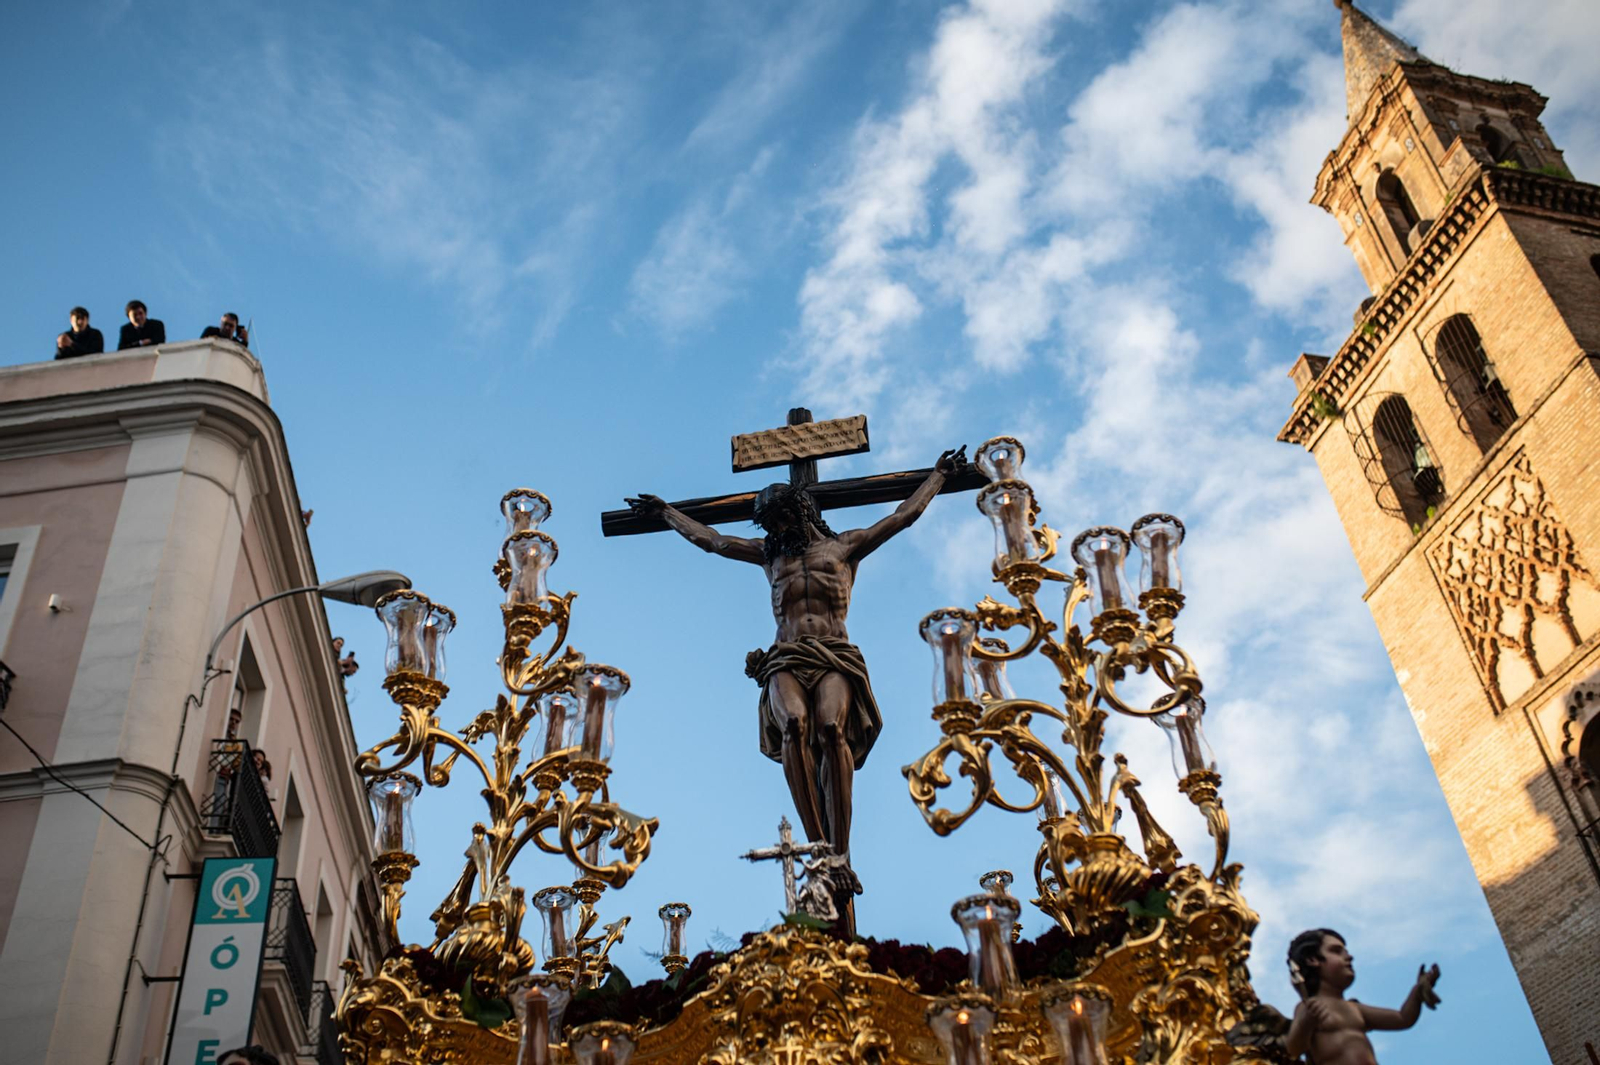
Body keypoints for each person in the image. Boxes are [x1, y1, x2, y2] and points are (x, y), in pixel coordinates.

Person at [624, 446, 962, 931]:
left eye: (779, 519)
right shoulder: (769, 559)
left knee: (830, 729)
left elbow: (902, 517)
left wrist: (938, 476)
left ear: (799, 511)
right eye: (766, 525)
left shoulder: (844, 547)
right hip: (784, 656)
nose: (772, 532)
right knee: (795, 726)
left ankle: (839, 855)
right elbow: (714, 541)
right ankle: (820, 850)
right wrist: (668, 514)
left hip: (833, 656)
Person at [1283, 928, 1441, 1064]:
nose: (1349, 957)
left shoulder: (1355, 1009)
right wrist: (1305, 1023)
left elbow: (1403, 1018)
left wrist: (1417, 992)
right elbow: (1294, 1049)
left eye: (1346, 952)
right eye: (1336, 951)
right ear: (1312, 960)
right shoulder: (1308, 1008)